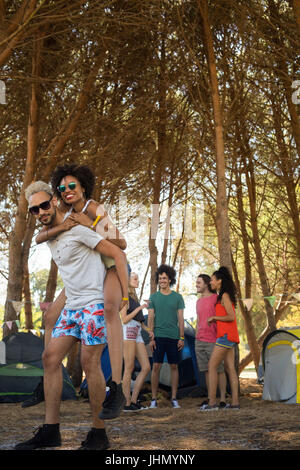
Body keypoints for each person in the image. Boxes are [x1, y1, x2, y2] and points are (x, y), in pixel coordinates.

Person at [15, 181, 128, 450]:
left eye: (44, 204)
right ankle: (51, 431)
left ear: (54, 201)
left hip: (95, 304)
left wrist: (122, 296)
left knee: (90, 363)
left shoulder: (78, 228)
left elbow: (116, 251)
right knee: (50, 357)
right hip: (73, 308)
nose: (41, 211)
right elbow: (40, 237)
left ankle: (99, 434)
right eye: (34, 210)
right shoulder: (50, 233)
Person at [201, 266, 240, 411]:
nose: (210, 282)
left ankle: (211, 403)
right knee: (230, 368)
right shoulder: (222, 295)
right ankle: (235, 403)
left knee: (211, 366)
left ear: (219, 281)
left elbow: (231, 317)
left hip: (225, 336)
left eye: (212, 280)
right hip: (228, 336)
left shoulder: (224, 296)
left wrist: (214, 317)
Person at [147, 264, 185, 409]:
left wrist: (181, 337)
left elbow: (181, 318)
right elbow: (150, 318)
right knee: (156, 366)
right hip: (158, 337)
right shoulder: (153, 297)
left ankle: (174, 398)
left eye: (165, 278)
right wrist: (151, 337)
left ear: (170, 280)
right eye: (160, 278)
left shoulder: (178, 297)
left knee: (174, 366)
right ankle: (153, 399)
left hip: (174, 337)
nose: (162, 280)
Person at [121, 271, 153, 412]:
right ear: (126, 280)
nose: (137, 280)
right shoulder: (125, 297)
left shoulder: (134, 297)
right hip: (127, 331)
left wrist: (148, 329)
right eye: (134, 278)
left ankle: (134, 400)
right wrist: (140, 308)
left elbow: (138, 321)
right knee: (129, 367)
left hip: (138, 332)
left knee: (146, 367)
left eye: (137, 278)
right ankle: (126, 403)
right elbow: (124, 319)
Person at [195, 274, 227, 410]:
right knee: (207, 371)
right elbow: (198, 320)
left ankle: (223, 399)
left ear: (207, 284)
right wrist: (196, 334)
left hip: (213, 340)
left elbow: (223, 316)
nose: (196, 284)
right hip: (199, 340)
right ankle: (210, 398)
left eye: (199, 282)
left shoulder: (216, 299)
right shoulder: (198, 301)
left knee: (219, 370)